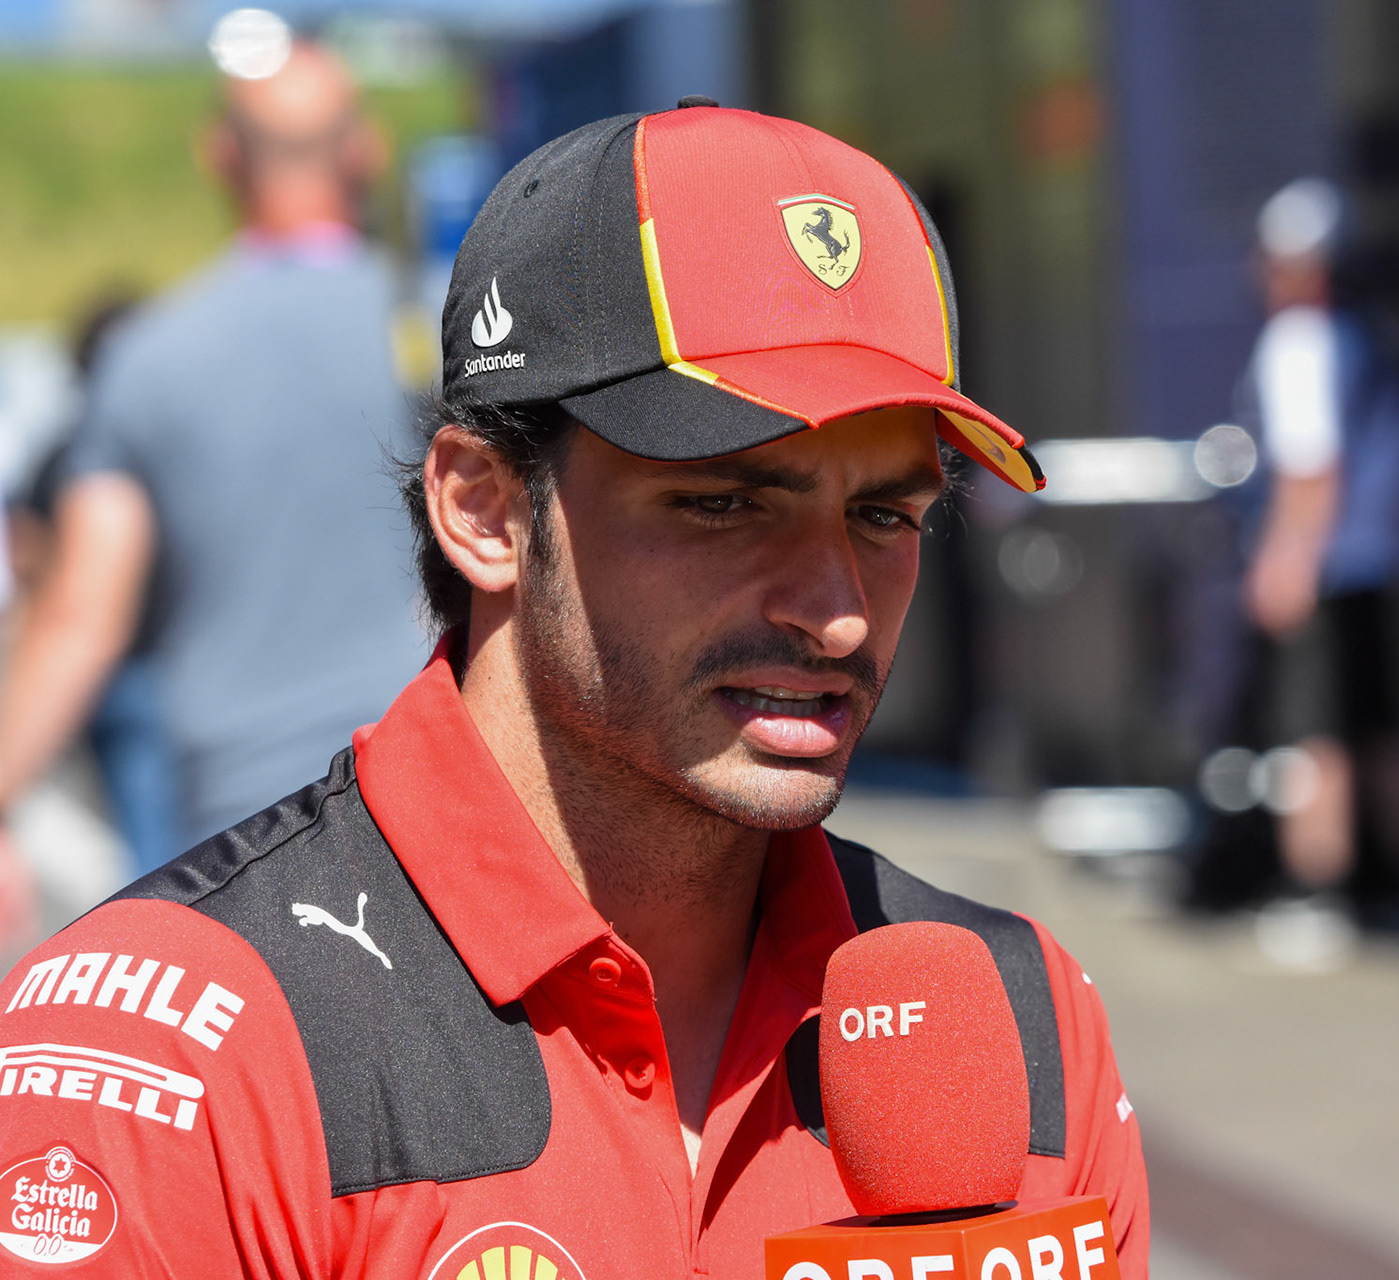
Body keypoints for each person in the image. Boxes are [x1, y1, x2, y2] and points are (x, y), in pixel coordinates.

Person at [0, 104, 1147, 1277]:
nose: (837, 608)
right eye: (723, 502)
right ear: (485, 508)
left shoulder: (1029, 1018)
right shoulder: (175, 1057)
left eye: (885, 514)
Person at [0, 43, 425, 866]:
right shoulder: (442, 329)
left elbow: (82, 614)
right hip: (429, 781)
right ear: (364, 149)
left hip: (240, 824)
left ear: (221, 155)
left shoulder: (153, 358)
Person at [1241, 177, 1399, 969]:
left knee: (1314, 733)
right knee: (1383, 723)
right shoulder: (1371, 335)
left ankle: (1322, 889)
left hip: (1322, 562)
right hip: (1377, 557)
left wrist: (1285, 560)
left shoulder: (1300, 343)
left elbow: (1309, 471)